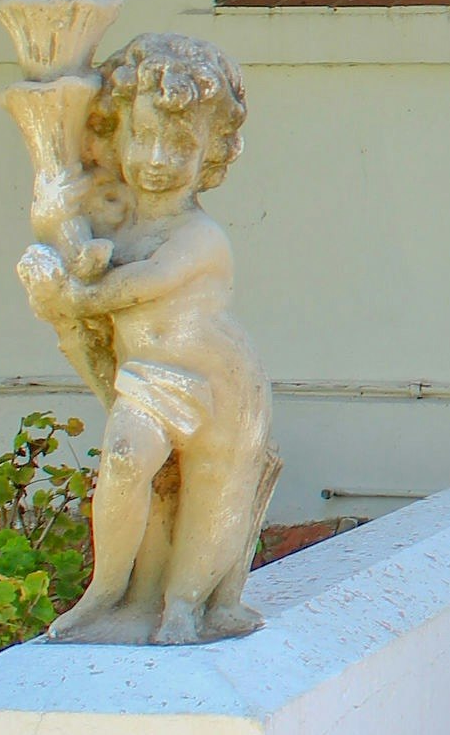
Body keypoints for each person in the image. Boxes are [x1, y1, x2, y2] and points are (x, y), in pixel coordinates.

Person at [18, 32, 276, 646]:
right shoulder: (116, 219)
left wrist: (74, 293)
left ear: (212, 153)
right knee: (124, 462)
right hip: (148, 379)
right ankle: (106, 591)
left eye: (181, 145)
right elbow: (68, 236)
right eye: (143, 137)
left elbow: (141, 284)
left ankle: (185, 607)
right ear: (117, 135)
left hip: (219, 385)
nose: (158, 159)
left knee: (214, 496)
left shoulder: (200, 237)